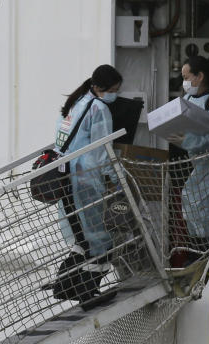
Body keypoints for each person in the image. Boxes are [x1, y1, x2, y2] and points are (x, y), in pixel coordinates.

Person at [51, 64, 123, 308]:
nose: (115, 94)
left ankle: (66, 285)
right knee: (100, 240)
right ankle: (87, 292)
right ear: (100, 88)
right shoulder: (99, 109)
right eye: (114, 90)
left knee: (81, 238)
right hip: (85, 181)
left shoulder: (75, 102)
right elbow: (102, 151)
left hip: (64, 179)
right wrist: (117, 180)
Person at [175, 54, 209, 254]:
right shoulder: (188, 99)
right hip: (196, 161)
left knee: (199, 202)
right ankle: (198, 248)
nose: (184, 82)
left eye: (187, 76)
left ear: (199, 77)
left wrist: (189, 141)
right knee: (191, 202)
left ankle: (206, 248)